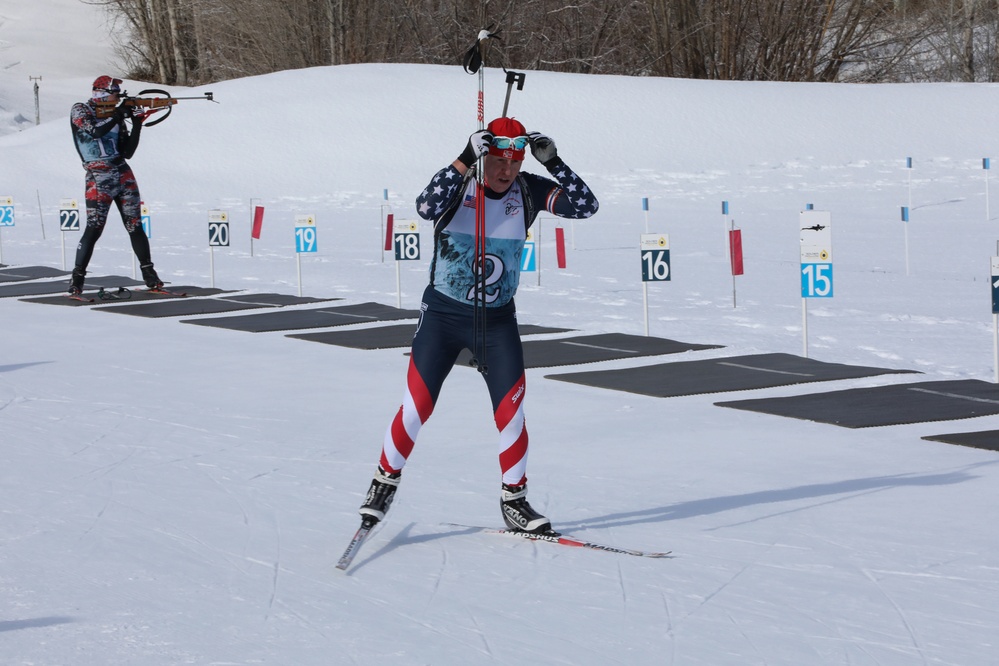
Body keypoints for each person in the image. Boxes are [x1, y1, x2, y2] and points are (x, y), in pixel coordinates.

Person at [358, 117, 599, 534]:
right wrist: (465, 158)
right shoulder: (462, 184)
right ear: (485, 156)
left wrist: (554, 162)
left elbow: (585, 206)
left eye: (515, 162)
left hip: (497, 323)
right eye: (499, 161)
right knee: (418, 406)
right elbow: (426, 207)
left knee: (511, 414)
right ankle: (384, 482)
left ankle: (515, 501)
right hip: (443, 318)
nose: (506, 171)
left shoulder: (527, 191)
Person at [68, 75, 162, 295]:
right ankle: (77, 279)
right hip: (98, 176)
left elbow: (127, 151)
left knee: (135, 225)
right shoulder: (81, 110)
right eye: (114, 93)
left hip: (122, 173)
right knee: (94, 228)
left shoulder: (115, 116)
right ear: (100, 92)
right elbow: (95, 131)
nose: (117, 97)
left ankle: (150, 275)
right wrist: (118, 114)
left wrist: (137, 124)